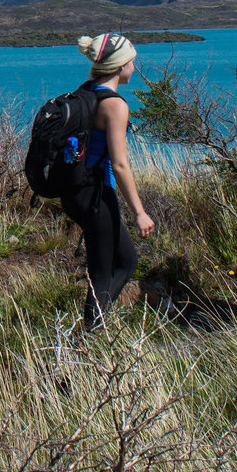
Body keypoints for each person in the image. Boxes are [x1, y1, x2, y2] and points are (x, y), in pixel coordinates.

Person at [60, 33, 156, 329]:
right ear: (120, 66)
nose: (135, 68)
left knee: (124, 262)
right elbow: (120, 163)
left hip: (74, 191)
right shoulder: (115, 105)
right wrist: (139, 212)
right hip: (95, 194)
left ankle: (91, 329)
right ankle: (88, 340)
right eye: (132, 62)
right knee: (105, 271)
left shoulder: (86, 91)